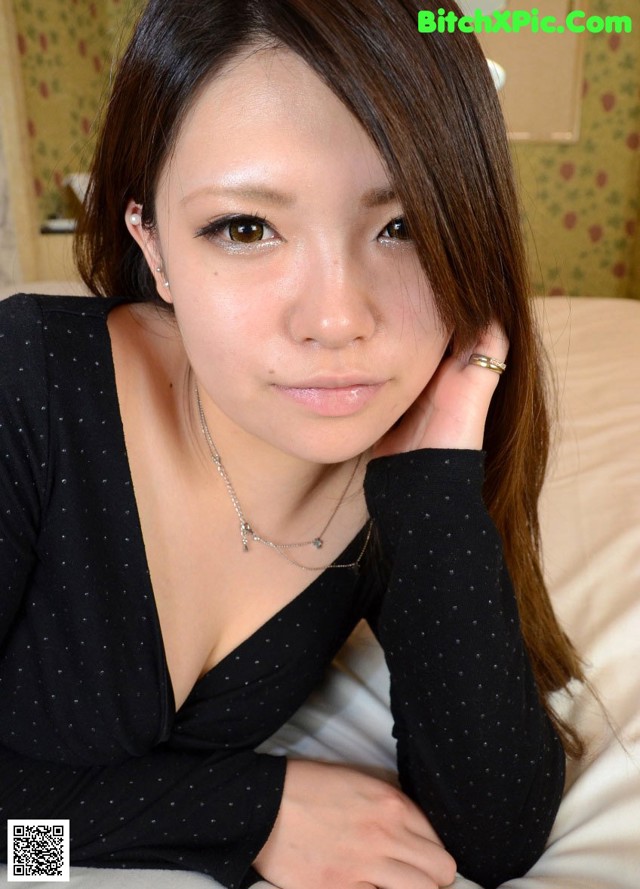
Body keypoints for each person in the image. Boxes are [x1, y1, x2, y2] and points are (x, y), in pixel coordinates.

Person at [0, 1, 584, 887]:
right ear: (152, 245)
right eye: (245, 227)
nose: (337, 320)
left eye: (404, 227)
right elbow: (23, 850)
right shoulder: (27, 388)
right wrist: (244, 813)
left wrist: (432, 490)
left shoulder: (393, 475)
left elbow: (493, 837)